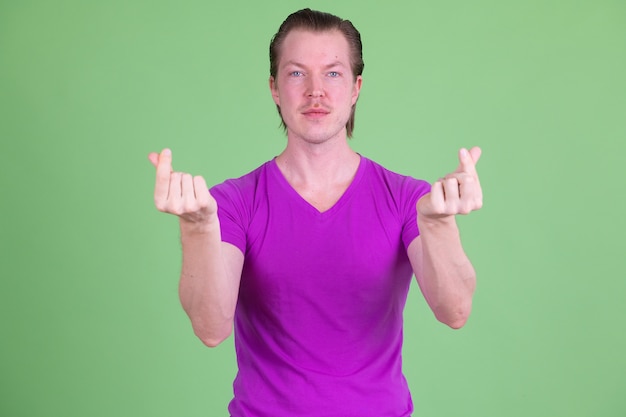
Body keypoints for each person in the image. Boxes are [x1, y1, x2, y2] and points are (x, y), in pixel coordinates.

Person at [148, 8, 482, 417]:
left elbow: (455, 311)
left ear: (357, 87)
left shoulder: (407, 199)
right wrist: (197, 227)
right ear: (273, 87)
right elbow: (210, 328)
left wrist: (438, 224)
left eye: (333, 73)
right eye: (296, 73)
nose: (315, 91)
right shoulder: (233, 202)